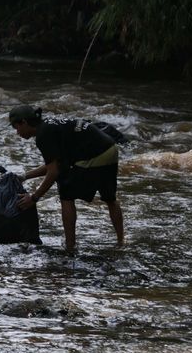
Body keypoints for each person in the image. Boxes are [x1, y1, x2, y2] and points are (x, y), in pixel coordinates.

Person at [9, 104, 124, 251]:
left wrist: (34, 198)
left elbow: (54, 172)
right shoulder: (50, 125)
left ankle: (70, 246)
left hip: (94, 155)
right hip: (110, 149)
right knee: (110, 199)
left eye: (16, 127)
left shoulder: (43, 135)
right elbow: (57, 164)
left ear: (24, 122)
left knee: (66, 194)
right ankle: (121, 242)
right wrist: (24, 176)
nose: (17, 132)